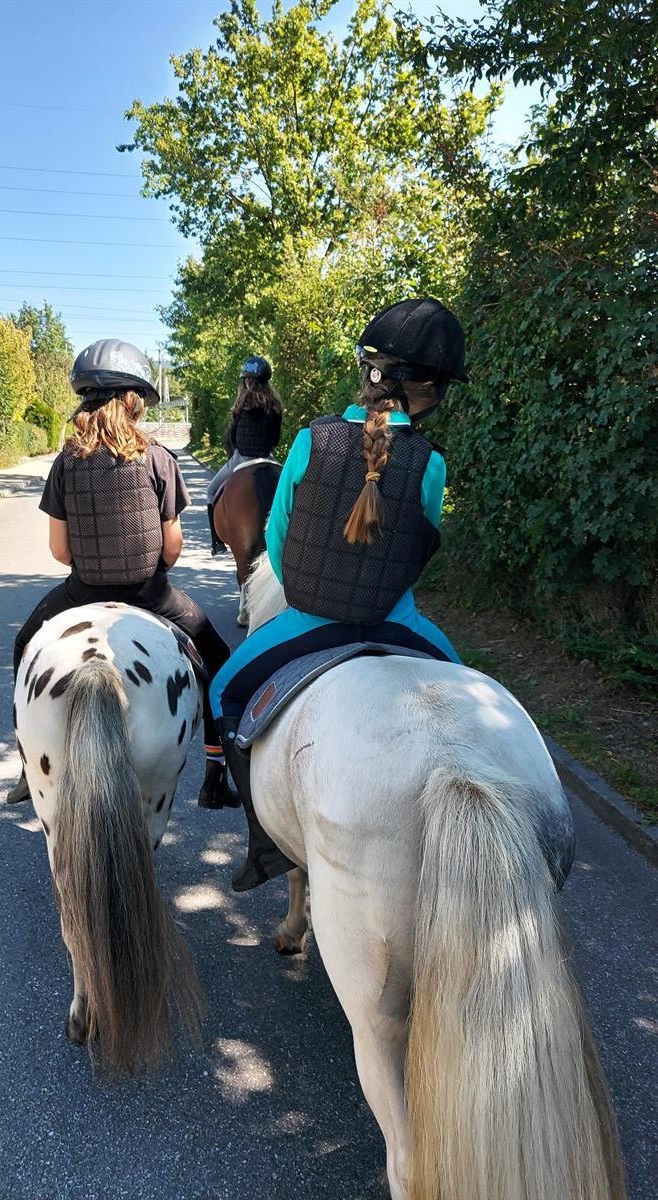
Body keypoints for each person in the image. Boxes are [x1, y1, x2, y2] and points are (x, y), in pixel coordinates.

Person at [209, 298, 467, 891]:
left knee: (225, 691)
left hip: (308, 620)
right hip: (398, 622)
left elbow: (277, 541)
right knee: (468, 692)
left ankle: (264, 844)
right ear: (423, 391)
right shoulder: (432, 463)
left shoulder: (310, 440)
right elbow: (418, 549)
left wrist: (313, 591)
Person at [8, 338, 235, 810]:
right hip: (150, 593)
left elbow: (58, 549)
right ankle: (216, 769)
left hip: (81, 591)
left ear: (83, 401)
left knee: (24, 645)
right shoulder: (158, 459)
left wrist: (94, 566)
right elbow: (172, 546)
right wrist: (151, 569)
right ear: (135, 401)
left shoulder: (65, 461)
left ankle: (29, 765)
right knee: (217, 655)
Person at [206, 355, 283, 555]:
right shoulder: (275, 407)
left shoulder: (240, 406)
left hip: (241, 459)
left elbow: (234, 438)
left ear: (246, 381)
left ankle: (216, 542)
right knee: (290, 490)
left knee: (211, 491)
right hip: (268, 457)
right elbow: (276, 437)